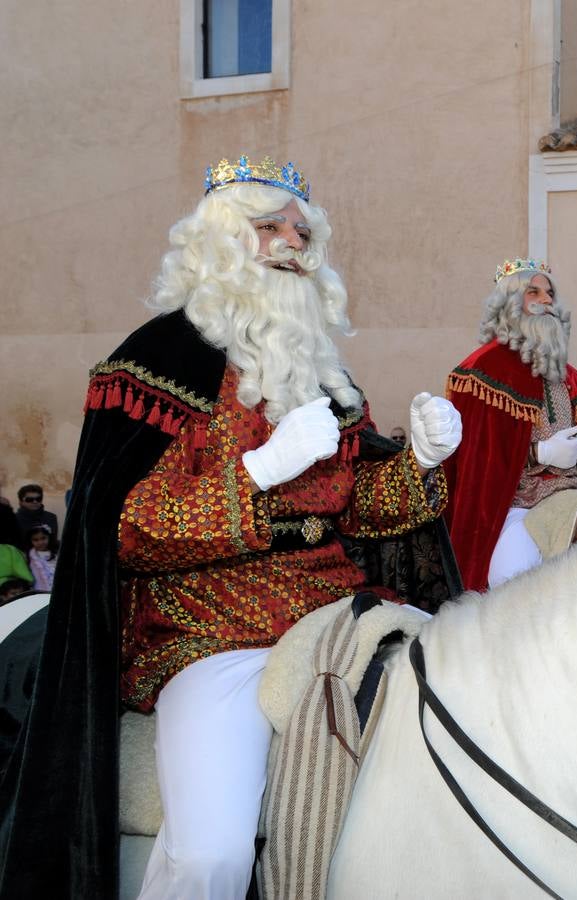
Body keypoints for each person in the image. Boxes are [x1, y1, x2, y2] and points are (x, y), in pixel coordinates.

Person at [0, 155, 463, 898]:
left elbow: (364, 506)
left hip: (334, 610)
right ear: (220, 241)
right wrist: (259, 471)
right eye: (268, 226)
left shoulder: (321, 369)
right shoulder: (154, 361)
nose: (290, 242)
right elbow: (122, 526)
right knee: (212, 854)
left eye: (301, 230)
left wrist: (424, 461)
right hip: (206, 628)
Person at [441, 258, 577, 592]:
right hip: (515, 509)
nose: (546, 300)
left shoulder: (571, 379)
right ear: (511, 304)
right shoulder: (484, 370)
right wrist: (541, 452)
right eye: (534, 291)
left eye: (550, 293)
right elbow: (477, 462)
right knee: (512, 579)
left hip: (569, 497)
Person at [13, 485, 58, 552]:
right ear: (20, 502)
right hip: (21, 559)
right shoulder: (13, 520)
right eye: (29, 499)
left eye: (38, 499)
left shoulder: (51, 517)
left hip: (47, 559)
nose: (35, 502)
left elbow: (53, 542)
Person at [24, 524, 56, 592]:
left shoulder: (55, 553)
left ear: (48, 537)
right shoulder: (30, 556)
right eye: (36, 540)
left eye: (43, 538)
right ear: (30, 541)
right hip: (39, 590)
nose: (40, 542)